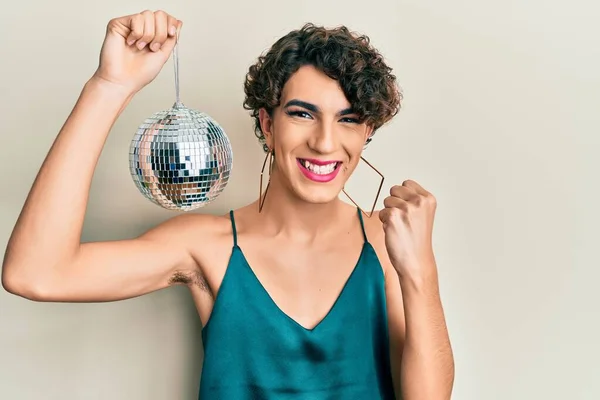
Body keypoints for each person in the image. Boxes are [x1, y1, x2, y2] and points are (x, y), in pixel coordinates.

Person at [1, 9, 454, 400]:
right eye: (302, 113)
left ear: (367, 133)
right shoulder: (207, 246)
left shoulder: (390, 241)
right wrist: (109, 85)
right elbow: (34, 273)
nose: (324, 142)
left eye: (349, 119)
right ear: (267, 122)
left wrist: (421, 272)